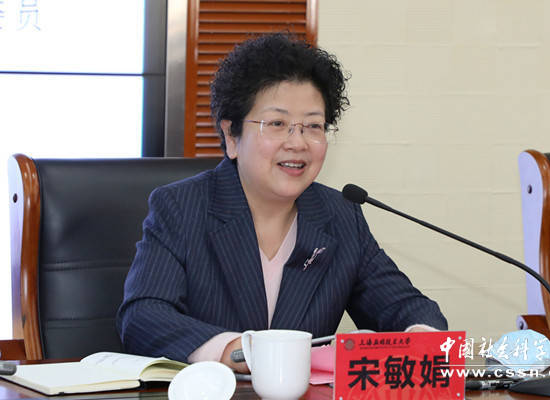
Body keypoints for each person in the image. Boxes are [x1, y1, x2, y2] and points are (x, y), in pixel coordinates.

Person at [116, 33, 447, 373]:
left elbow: (407, 307)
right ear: (231, 136)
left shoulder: (340, 216)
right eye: (277, 124)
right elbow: (143, 317)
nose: (297, 143)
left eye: (313, 126)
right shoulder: (181, 207)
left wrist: (420, 338)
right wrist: (240, 352)